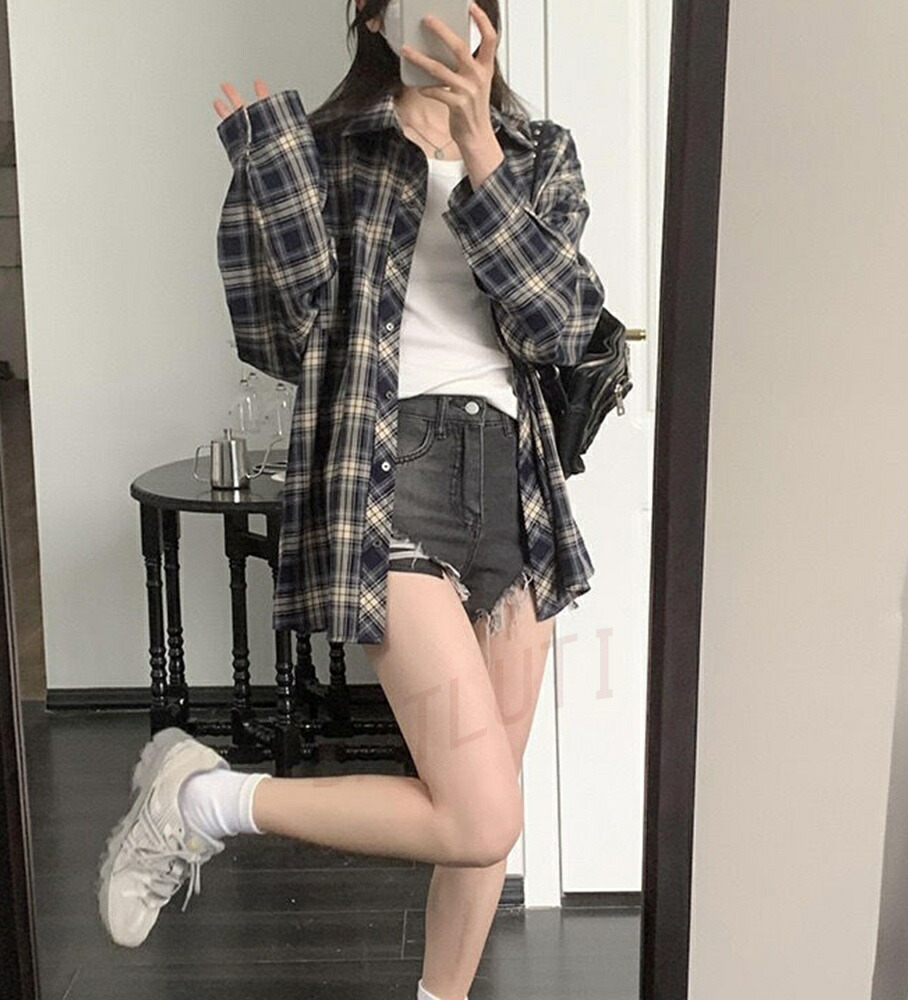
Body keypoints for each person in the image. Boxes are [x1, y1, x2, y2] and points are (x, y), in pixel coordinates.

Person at [96, 3, 606, 999]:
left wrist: (480, 150)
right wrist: (273, 179)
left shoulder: (539, 153)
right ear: (374, 18)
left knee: (479, 821)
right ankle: (204, 802)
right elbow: (280, 340)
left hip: (516, 491)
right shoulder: (327, 150)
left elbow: (558, 325)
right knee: (483, 815)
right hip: (387, 473)